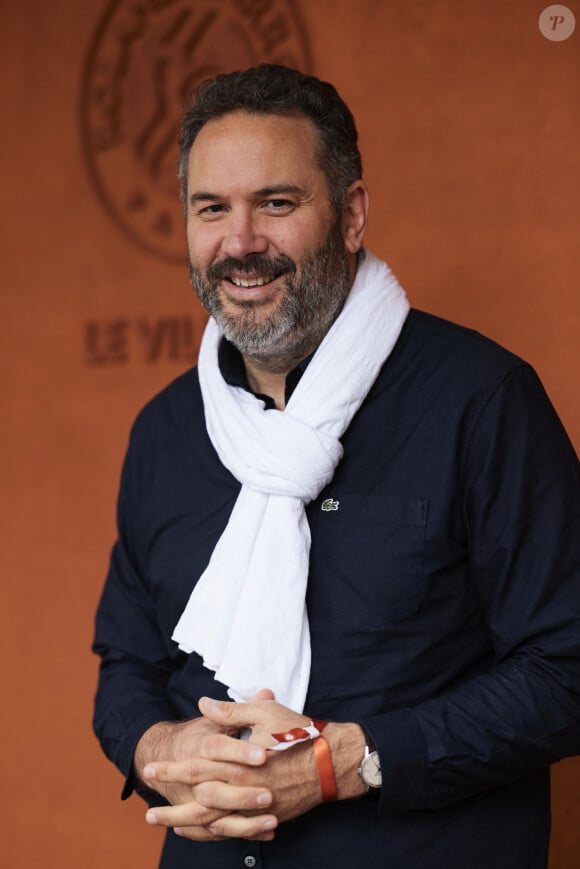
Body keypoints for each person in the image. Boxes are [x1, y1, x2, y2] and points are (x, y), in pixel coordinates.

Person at [93, 64, 580, 869]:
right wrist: (164, 744)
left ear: (352, 214)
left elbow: (567, 665)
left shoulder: (481, 400)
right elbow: (128, 663)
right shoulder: (166, 432)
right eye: (211, 208)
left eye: (276, 203)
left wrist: (343, 763)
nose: (240, 242)